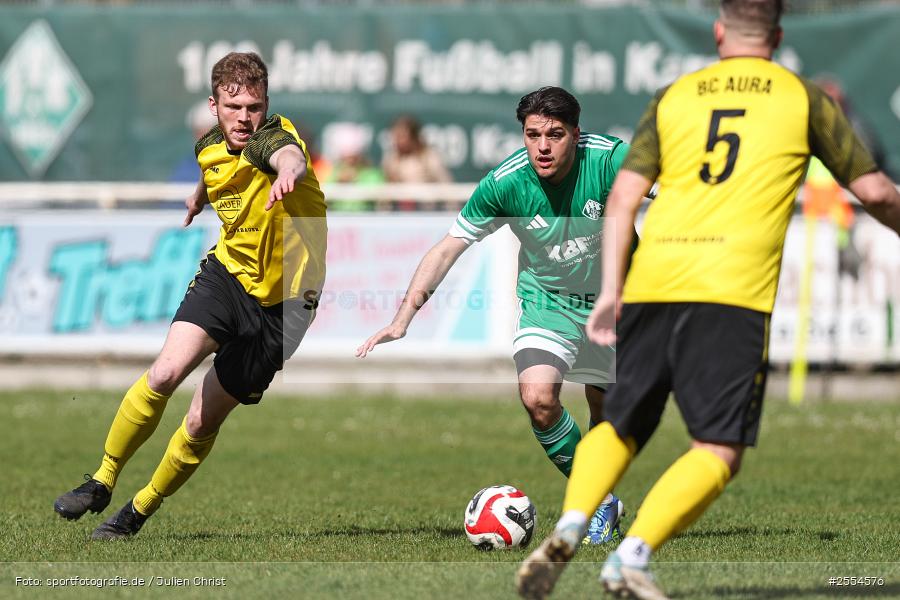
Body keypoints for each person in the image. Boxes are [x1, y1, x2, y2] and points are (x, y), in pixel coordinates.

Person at [516, 2, 900, 599]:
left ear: (719, 33)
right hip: (730, 290)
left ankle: (571, 523)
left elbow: (624, 196)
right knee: (718, 446)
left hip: (652, 280)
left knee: (619, 424)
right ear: (777, 35)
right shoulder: (803, 98)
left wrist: (613, 288)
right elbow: (874, 191)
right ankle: (631, 557)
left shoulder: (674, 96)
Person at [53, 52, 328, 540]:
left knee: (201, 420)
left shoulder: (274, 139)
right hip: (228, 276)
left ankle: (137, 510)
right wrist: (200, 195)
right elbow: (214, 163)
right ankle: (102, 479)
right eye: (233, 107)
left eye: (254, 107)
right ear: (214, 106)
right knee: (164, 372)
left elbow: (288, 156)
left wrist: (290, 171)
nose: (244, 118)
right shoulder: (209, 146)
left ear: (267, 106)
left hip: (285, 306)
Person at [357, 86, 635, 545]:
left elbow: (678, 194)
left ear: (576, 134)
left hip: (616, 300)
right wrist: (402, 319)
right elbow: (447, 249)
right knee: (538, 398)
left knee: (605, 409)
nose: (542, 146)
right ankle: (600, 501)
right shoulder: (506, 182)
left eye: (555, 135)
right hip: (549, 303)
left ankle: (600, 493)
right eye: (532, 134)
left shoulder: (608, 159)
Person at [381, 115, 454, 211]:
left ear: (414, 137)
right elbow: (386, 193)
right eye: (395, 136)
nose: (397, 141)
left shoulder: (429, 157)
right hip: (399, 214)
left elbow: (447, 187)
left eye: (401, 136)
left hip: (426, 213)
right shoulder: (391, 159)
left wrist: (452, 211)